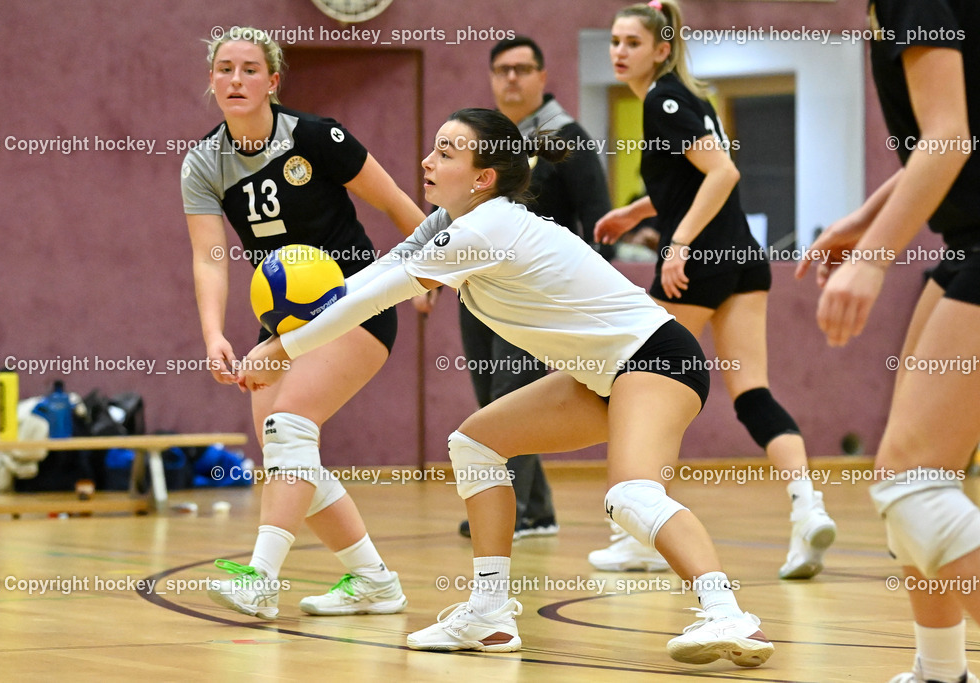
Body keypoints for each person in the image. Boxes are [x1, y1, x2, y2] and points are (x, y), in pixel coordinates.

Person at [239, 107, 774, 667]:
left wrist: (281, 347)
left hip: (658, 360)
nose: (427, 160)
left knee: (631, 495)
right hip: (602, 374)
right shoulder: (450, 223)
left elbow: (380, 296)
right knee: (475, 446)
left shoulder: (484, 227)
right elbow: (372, 275)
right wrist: (296, 324)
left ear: (482, 177)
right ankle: (490, 615)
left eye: (446, 153)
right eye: (433, 148)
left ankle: (729, 615)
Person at [180, 26, 426, 619]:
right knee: (285, 453)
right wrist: (214, 332)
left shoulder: (315, 137)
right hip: (284, 326)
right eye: (224, 70)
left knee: (290, 426)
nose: (236, 80)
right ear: (212, 82)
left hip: (356, 302)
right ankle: (374, 580)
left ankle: (261, 576)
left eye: (248, 69)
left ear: (272, 80)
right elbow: (209, 257)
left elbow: (394, 200)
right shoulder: (203, 163)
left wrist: (435, 265)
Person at [593, 0, 836, 580]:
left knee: (640, 390)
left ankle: (639, 533)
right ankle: (808, 509)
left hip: (699, 262)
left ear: (661, 48)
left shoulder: (663, 98)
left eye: (632, 42)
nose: (620, 52)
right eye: (615, 41)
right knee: (751, 393)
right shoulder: (683, 99)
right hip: (742, 261)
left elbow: (724, 172)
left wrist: (676, 245)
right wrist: (636, 211)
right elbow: (694, 176)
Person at [797, 2, 980, 681]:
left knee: (914, 481)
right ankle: (941, 672)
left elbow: (950, 138)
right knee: (905, 479)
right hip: (965, 245)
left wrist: (874, 258)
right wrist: (864, 217)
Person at [455, 37, 615, 542]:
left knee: (513, 394)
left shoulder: (566, 139)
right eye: (502, 70)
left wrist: (581, 299)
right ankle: (541, 508)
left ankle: (515, 509)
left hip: (537, 299)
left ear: (543, 77)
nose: (512, 79)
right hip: (479, 291)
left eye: (523, 69)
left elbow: (601, 228)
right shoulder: (487, 146)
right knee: (492, 398)